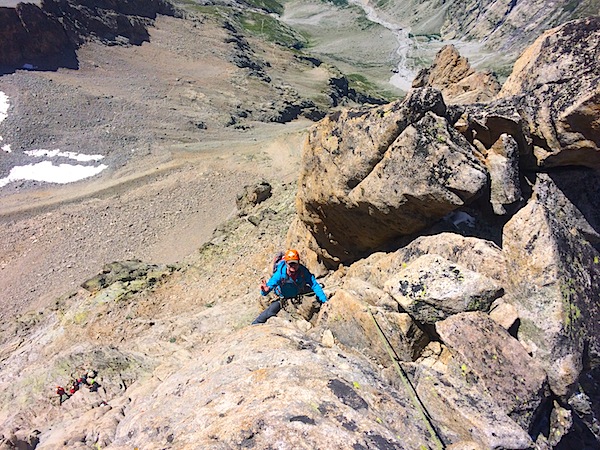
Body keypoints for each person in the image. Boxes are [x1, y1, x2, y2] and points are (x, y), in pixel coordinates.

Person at [252, 249, 327, 324]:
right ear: (286, 263)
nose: (293, 266)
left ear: (298, 263)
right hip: (282, 296)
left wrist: (324, 300)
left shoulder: (303, 271)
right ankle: (254, 325)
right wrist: (265, 290)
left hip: (298, 291)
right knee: (270, 312)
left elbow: (314, 284)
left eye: (295, 263)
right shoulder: (280, 274)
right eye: (290, 264)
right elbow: (268, 288)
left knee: (316, 296)